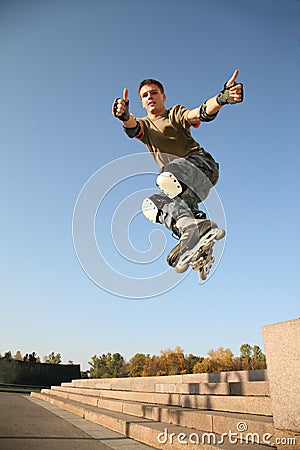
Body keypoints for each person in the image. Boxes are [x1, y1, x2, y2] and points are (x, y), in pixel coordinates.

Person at [112, 70, 243, 272]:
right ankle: (193, 229)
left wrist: (222, 98)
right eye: (145, 96)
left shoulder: (175, 113)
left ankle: (193, 224)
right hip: (180, 186)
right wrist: (123, 115)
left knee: (167, 175)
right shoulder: (145, 126)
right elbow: (132, 126)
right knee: (152, 204)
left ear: (163, 96)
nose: (150, 97)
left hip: (202, 166)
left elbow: (199, 112)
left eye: (153, 93)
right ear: (142, 103)